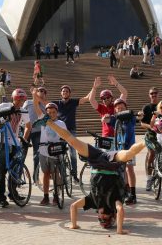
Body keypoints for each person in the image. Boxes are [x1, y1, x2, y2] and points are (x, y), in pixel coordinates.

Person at [30, 88, 153, 235]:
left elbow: (74, 207)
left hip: (95, 161)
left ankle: (49, 123)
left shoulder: (93, 201)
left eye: (100, 218)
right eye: (105, 218)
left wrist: (74, 225)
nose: (102, 216)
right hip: (111, 163)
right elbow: (120, 210)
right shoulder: (114, 203)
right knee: (127, 154)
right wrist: (119, 230)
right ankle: (147, 140)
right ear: (112, 215)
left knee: (72, 140)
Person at [0, 89, 31, 207]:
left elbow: (28, 126)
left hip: (15, 142)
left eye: (22, 99)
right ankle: (1, 198)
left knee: (15, 169)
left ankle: (13, 194)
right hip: (1, 141)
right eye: (18, 99)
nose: (20, 101)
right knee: (2, 170)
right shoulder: (4, 105)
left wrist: (23, 138)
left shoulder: (24, 111)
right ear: (13, 98)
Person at [102, 99, 138, 205]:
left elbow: (138, 118)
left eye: (122, 107)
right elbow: (106, 120)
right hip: (119, 148)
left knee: (129, 169)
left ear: (126, 108)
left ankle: (133, 194)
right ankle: (124, 191)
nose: (119, 109)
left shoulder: (130, 118)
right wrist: (105, 118)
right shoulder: (116, 119)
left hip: (130, 148)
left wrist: (139, 115)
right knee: (121, 170)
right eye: (117, 108)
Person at [53, 84, 90, 183]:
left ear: (69, 93)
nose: (65, 92)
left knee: (73, 154)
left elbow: (86, 99)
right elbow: (44, 103)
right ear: (61, 93)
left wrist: (94, 88)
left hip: (71, 131)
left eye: (67, 91)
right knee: (60, 154)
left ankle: (74, 176)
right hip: (60, 131)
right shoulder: (56, 103)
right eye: (63, 91)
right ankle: (63, 176)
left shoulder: (73, 102)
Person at [34, 100, 67, 206]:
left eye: (53, 112)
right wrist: (35, 95)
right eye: (49, 112)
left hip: (55, 151)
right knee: (46, 174)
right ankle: (46, 196)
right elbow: (37, 108)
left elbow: (65, 136)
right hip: (43, 151)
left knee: (55, 173)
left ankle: (56, 196)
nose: (51, 114)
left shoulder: (61, 123)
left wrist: (63, 142)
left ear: (57, 112)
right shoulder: (43, 121)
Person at [89, 75, 128, 140]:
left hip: (118, 136)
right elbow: (91, 100)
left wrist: (116, 83)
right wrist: (94, 88)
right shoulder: (101, 107)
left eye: (108, 97)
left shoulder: (116, 105)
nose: (106, 99)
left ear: (111, 98)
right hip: (106, 136)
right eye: (103, 98)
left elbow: (124, 93)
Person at [23, 86, 48, 183]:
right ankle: (19, 172)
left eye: (43, 91)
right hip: (27, 130)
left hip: (38, 131)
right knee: (22, 153)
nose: (41, 92)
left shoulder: (45, 104)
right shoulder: (28, 102)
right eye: (39, 90)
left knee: (37, 155)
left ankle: (35, 177)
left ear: (45, 94)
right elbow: (21, 113)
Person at [141, 87, 160, 191]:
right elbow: (142, 123)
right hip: (150, 134)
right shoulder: (146, 107)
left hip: (161, 134)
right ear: (149, 95)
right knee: (152, 153)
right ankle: (149, 179)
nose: (153, 95)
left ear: (158, 94)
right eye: (151, 93)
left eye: (155, 93)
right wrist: (151, 127)